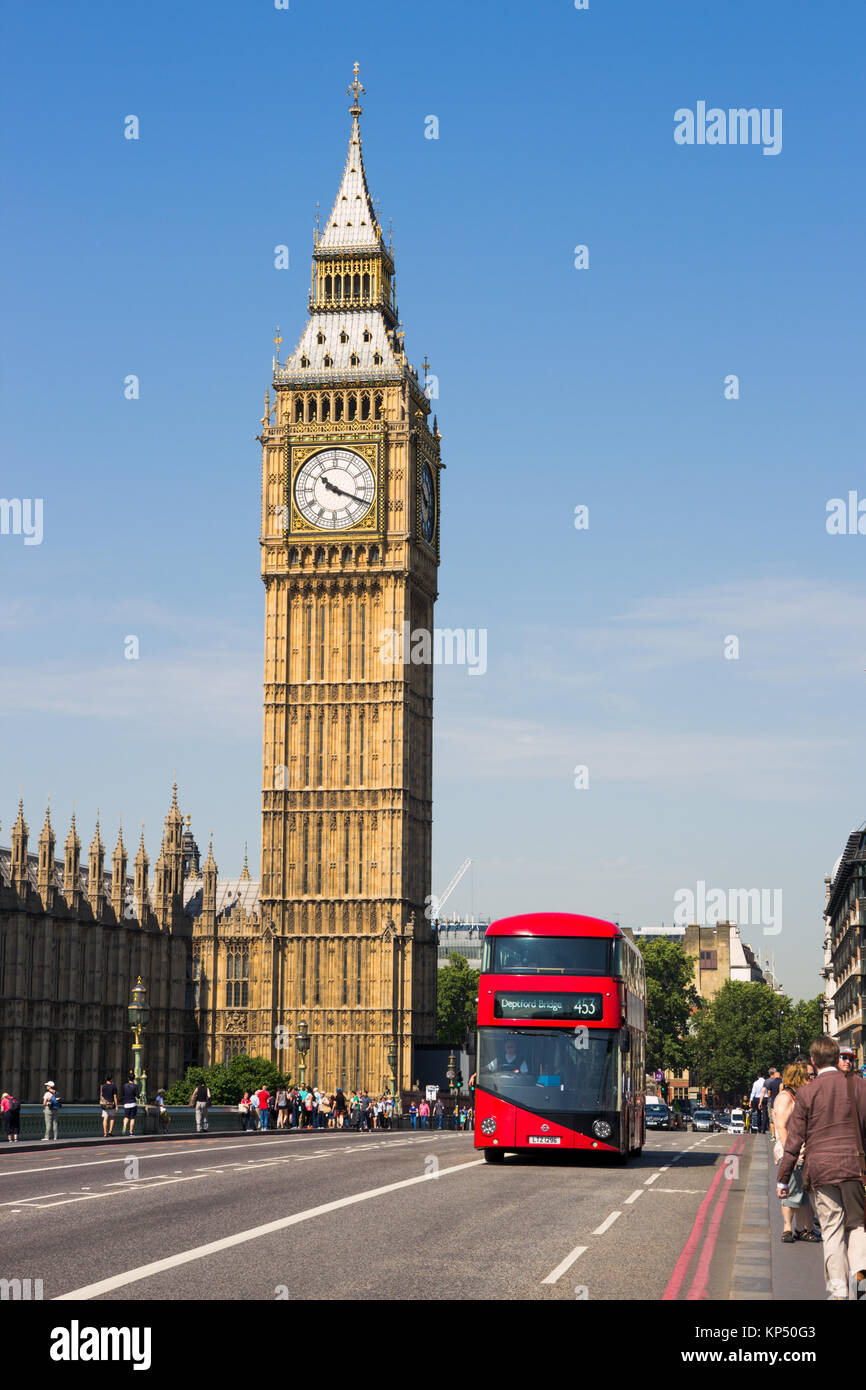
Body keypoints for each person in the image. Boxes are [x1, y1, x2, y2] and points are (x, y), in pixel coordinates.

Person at [777, 1035, 866, 1300]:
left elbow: (795, 1139)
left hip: (821, 1170)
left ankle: (838, 1288)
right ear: (837, 1056)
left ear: (813, 1062)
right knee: (858, 1223)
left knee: (831, 1229)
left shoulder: (806, 1092)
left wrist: (783, 1178)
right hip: (854, 1167)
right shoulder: (860, 1086)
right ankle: (860, 1265)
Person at [773, 1062, 818, 1243]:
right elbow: (782, 1127)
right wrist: (790, 1152)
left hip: (801, 1150)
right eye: (806, 1076)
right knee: (790, 1190)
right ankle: (788, 1228)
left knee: (804, 1191)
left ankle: (803, 1228)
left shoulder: (796, 1095)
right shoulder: (785, 1098)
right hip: (791, 1151)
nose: (809, 1079)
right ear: (797, 1077)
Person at [764, 1067, 783, 1139]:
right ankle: (780, 1135)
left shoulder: (770, 1083)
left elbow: (768, 1094)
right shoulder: (783, 1082)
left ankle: (773, 1136)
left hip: (772, 1103)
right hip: (781, 1103)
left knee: (772, 1120)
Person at [99, 1073, 118, 1137]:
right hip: (111, 1104)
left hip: (104, 1104)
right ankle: (110, 1132)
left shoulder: (102, 1086)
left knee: (105, 1118)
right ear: (111, 1079)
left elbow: (101, 1095)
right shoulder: (113, 1086)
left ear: (105, 1079)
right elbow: (115, 1096)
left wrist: (102, 1101)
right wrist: (116, 1106)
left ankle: (105, 1133)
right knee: (112, 1118)